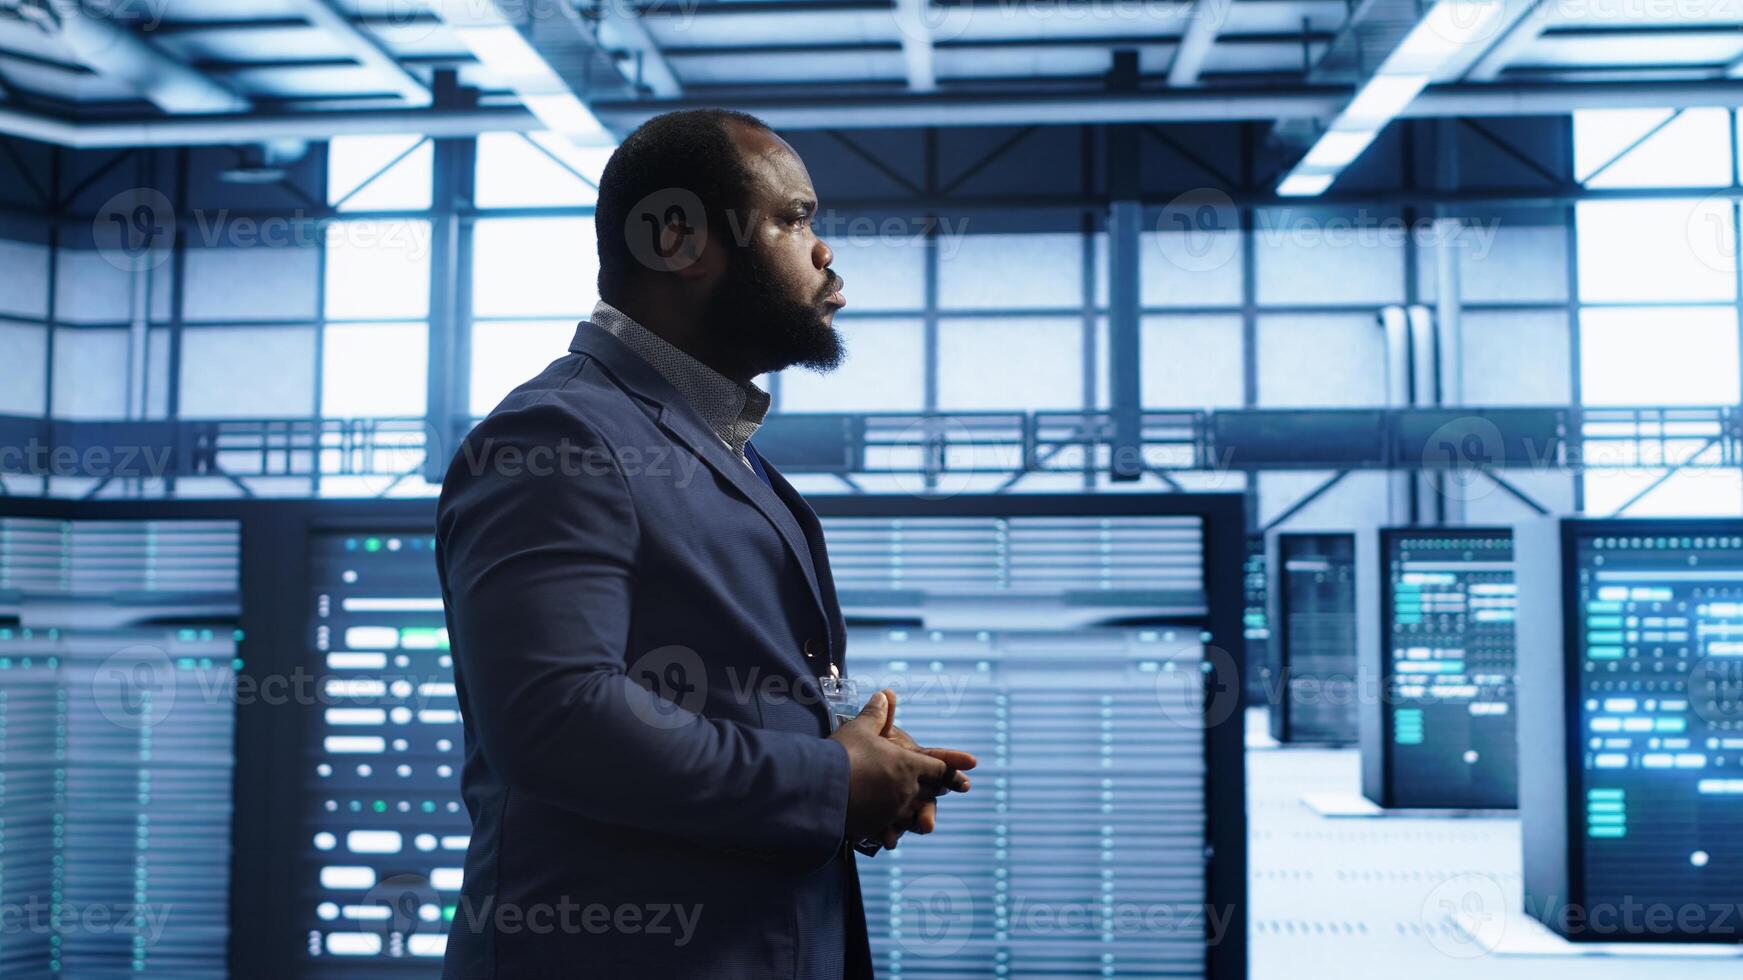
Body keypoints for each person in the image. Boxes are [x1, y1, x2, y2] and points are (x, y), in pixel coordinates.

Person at [435, 108, 976, 979]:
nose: (824, 250)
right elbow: (555, 719)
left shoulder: (721, 445)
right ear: (676, 237)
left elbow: (720, 695)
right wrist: (826, 782)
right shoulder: (557, 435)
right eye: (794, 218)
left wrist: (862, 764)